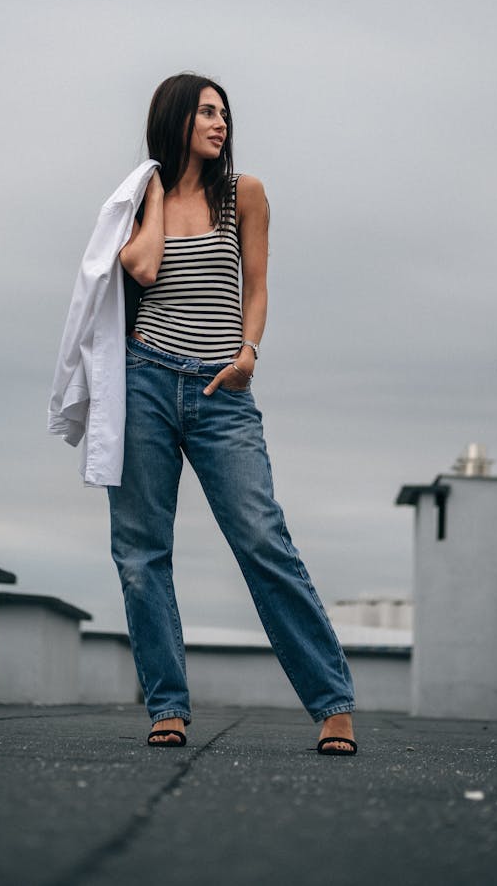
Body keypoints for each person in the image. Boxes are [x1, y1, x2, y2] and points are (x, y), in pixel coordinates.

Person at [109, 72, 357, 754]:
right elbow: (141, 267)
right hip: (145, 380)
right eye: (206, 112)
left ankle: (332, 701)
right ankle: (168, 705)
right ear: (177, 118)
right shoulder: (140, 197)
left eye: (224, 112)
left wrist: (249, 352)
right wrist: (157, 193)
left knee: (261, 538)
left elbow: (259, 283)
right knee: (141, 552)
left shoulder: (244, 194)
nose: (220, 122)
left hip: (225, 390)